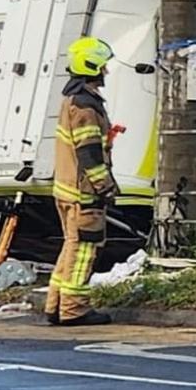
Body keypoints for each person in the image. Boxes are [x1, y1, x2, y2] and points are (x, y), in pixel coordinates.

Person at [46, 37, 119, 326]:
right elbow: (89, 154)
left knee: (70, 247)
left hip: (67, 190)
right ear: (92, 67)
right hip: (84, 195)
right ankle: (74, 309)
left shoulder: (73, 100)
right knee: (84, 252)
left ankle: (55, 306)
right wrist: (106, 187)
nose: (106, 72)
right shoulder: (87, 107)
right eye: (103, 67)